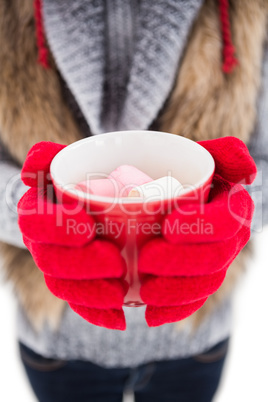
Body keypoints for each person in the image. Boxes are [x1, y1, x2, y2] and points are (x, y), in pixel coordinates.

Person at [0, 0, 267, 401]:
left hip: (194, 337)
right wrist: (21, 206)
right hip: (59, 342)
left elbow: (258, 164)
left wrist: (238, 206)